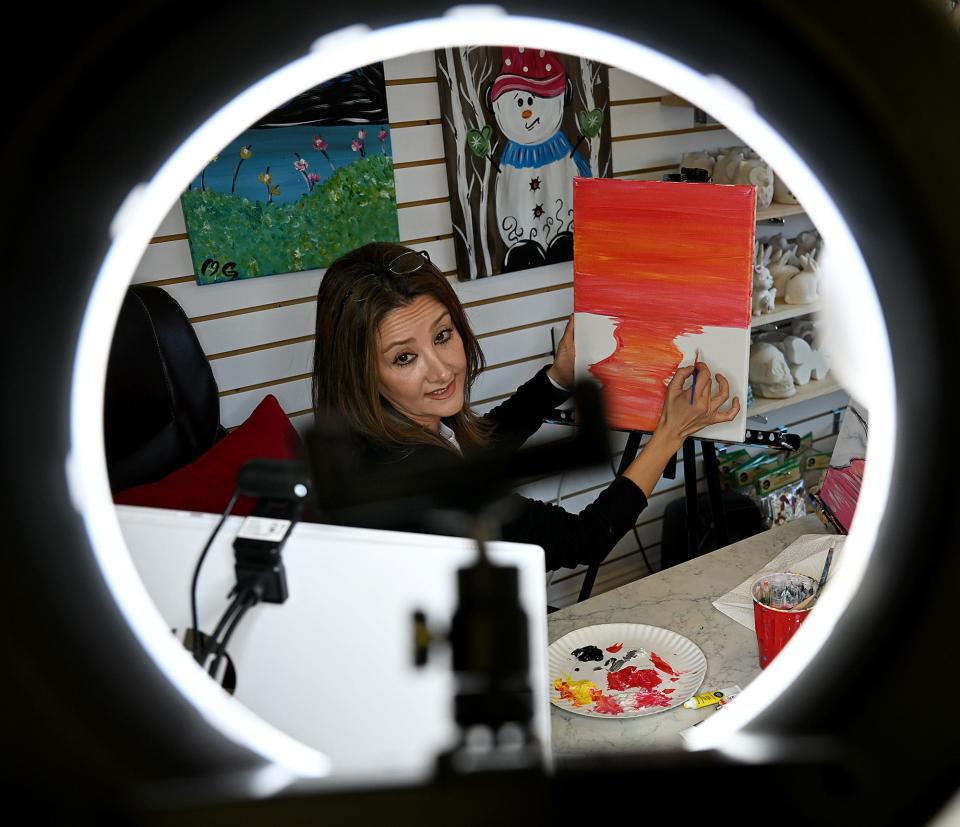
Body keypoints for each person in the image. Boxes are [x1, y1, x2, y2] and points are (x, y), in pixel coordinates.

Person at [311, 242, 740, 571]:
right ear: (361, 373)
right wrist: (669, 435)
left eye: (443, 336)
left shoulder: (390, 432)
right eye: (404, 358)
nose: (441, 372)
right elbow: (582, 540)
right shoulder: (412, 477)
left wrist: (558, 377)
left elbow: (481, 449)